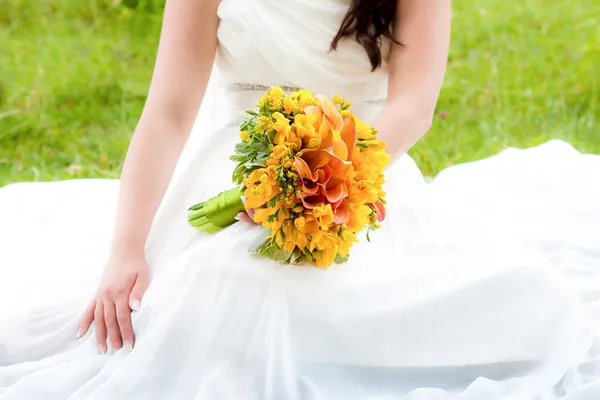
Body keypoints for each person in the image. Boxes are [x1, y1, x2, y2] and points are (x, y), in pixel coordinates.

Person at [1, 0, 599, 398]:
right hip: (242, 166)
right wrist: (127, 247)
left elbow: (413, 108)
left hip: (363, 167)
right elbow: (168, 111)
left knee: (533, 304)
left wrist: (329, 173)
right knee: (235, 280)